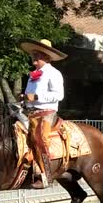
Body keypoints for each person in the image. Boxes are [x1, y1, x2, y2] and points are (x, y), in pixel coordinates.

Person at [18, 39, 67, 189]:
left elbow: (59, 95)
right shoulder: (33, 75)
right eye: (33, 55)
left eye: (37, 55)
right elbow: (29, 96)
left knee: (39, 138)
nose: (33, 58)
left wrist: (37, 97)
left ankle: (46, 175)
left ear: (47, 57)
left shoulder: (54, 73)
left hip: (47, 113)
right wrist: (24, 99)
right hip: (30, 112)